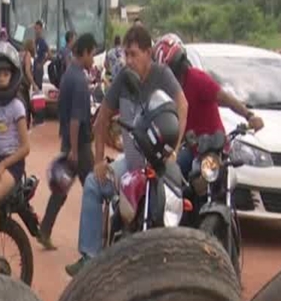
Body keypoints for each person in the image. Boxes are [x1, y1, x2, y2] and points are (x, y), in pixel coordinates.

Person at [65, 25, 188, 277]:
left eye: (133, 54)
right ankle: (90, 256)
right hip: (130, 165)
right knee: (92, 184)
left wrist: (174, 149)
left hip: (159, 165)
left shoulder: (162, 75)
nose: (128, 60)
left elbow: (182, 105)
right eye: (126, 55)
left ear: (148, 52)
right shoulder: (121, 78)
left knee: (179, 202)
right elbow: (101, 120)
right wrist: (98, 161)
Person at [152, 34, 264, 179]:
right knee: (170, 174)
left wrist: (249, 115)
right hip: (192, 150)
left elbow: (226, 99)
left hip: (214, 149)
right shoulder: (166, 92)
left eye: (172, 71)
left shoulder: (197, 79)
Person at [38, 33, 98, 249]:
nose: (93, 59)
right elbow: (75, 119)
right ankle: (98, 239)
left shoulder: (68, 75)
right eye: (92, 54)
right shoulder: (80, 79)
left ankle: (44, 229)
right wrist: (74, 149)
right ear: (85, 52)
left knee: (62, 188)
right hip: (79, 146)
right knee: (95, 190)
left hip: (70, 142)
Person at [0, 43, 30, 273]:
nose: (1, 79)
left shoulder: (17, 106)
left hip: (13, 165)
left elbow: (25, 147)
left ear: (13, 76)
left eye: (5, 74)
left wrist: (1, 166)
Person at [32, 20, 50, 89]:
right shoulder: (35, 40)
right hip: (34, 67)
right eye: (35, 29)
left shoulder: (42, 41)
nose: (36, 31)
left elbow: (49, 55)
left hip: (39, 70)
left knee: (38, 88)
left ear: (41, 29)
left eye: (38, 29)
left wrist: (41, 64)